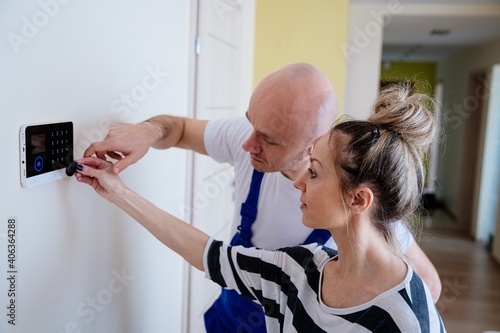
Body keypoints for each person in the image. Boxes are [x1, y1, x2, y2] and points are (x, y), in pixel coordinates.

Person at [84, 63, 442, 332]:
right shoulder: (298, 270)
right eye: (251, 123)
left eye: (269, 138)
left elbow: (424, 284)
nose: (246, 143)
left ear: (312, 145)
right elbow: (212, 256)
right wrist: (141, 139)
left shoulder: (398, 299)